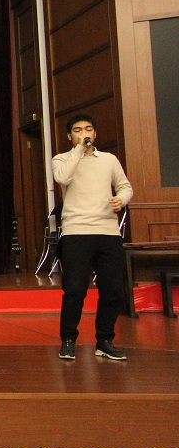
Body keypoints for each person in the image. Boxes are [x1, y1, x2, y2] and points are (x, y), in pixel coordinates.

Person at [53, 114, 133, 361]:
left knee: (112, 290)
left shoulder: (109, 160)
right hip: (77, 232)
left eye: (88, 129)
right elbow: (62, 178)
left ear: (95, 133)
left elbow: (125, 186)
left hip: (108, 231)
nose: (84, 134)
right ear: (69, 136)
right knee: (75, 289)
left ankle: (105, 341)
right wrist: (79, 150)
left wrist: (122, 199)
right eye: (77, 130)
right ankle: (68, 339)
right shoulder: (62, 159)